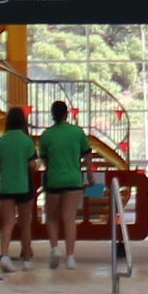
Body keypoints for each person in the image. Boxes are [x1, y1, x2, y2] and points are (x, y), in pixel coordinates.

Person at [37, 99, 91, 270]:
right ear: (67, 114)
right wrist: (90, 176)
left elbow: (45, 160)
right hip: (74, 179)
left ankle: (54, 248)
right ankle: (70, 257)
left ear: (52, 115)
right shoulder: (77, 132)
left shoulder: (47, 135)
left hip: (54, 179)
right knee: (69, 218)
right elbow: (87, 155)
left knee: (52, 217)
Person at [0, 105, 36, 273]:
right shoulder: (27, 141)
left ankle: (4, 255)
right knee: (25, 224)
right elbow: (32, 164)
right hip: (24, 185)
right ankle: (27, 259)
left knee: (8, 223)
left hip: (6, 186)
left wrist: (5, 170)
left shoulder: (1, 141)